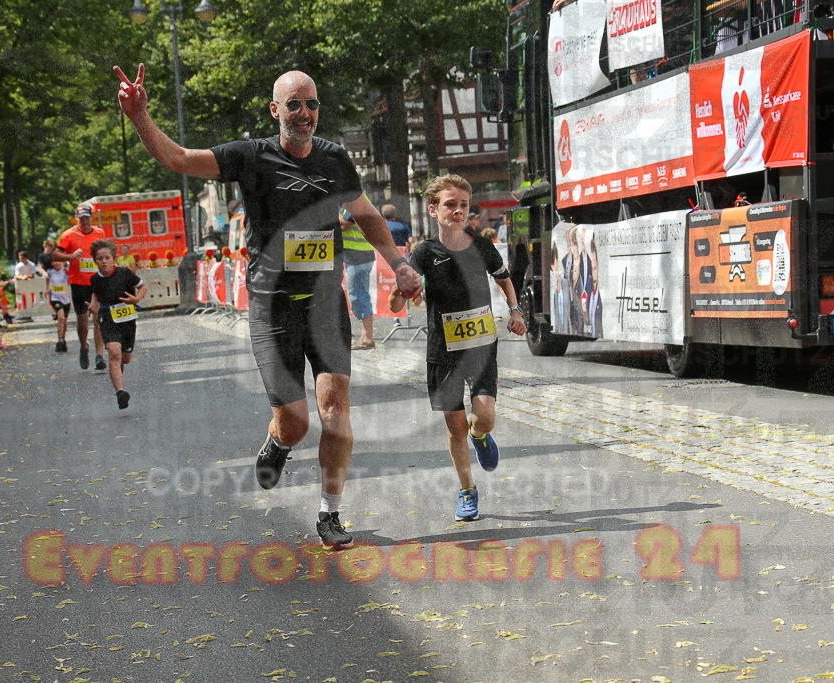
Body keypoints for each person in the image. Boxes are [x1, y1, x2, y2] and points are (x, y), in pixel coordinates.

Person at [115, 64, 423, 548]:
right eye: (294, 104)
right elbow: (176, 158)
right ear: (275, 110)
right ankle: (279, 441)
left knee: (336, 412)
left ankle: (330, 512)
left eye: (312, 104)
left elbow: (364, 215)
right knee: (296, 421)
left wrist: (400, 264)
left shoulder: (336, 159)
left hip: (325, 304)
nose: (304, 114)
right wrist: (139, 117)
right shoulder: (249, 157)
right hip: (271, 306)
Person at [390, 174, 526, 522]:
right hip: (442, 350)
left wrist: (514, 310)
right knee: (454, 429)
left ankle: (480, 437)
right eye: (451, 204)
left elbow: (503, 278)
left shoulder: (481, 245)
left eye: (464, 205)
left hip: (480, 345)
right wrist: (398, 291)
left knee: (484, 418)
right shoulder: (424, 252)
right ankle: (468, 491)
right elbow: (394, 304)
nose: (459, 210)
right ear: (433, 209)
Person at [88, 238, 147, 410]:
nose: (104, 261)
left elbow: (143, 287)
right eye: (100, 258)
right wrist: (93, 306)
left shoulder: (125, 273)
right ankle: (120, 392)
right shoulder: (94, 279)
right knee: (114, 353)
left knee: (125, 358)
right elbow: (95, 295)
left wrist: (136, 298)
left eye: (107, 257)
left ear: (114, 258)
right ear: (95, 261)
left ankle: (120, 363)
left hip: (127, 320)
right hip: (108, 317)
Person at [54, 204, 107, 371]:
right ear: (76, 218)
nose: (84, 221)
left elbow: (107, 252)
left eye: (87, 217)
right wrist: (70, 256)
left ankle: (99, 356)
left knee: (98, 318)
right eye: (81, 218)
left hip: (97, 281)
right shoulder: (68, 235)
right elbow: (55, 255)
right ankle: (84, 346)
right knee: (82, 322)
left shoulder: (99, 233)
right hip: (78, 283)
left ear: (91, 218)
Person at [339, 208, 376, 350]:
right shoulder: (347, 203)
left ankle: (367, 338)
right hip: (356, 256)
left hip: (358, 257)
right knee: (358, 296)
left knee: (359, 296)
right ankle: (365, 336)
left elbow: (344, 225)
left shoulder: (352, 202)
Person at [46, 256, 71, 352]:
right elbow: (47, 279)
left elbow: (72, 280)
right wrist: (47, 289)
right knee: (60, 317)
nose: (57, 263)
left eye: (59, 261)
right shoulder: (50, 272)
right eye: (55, 261)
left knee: (64, 320)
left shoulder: (66, 272)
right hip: (55, 298)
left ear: (63, 262)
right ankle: (60, 340)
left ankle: (62, 339)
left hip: (66, 299)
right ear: (52, 262)